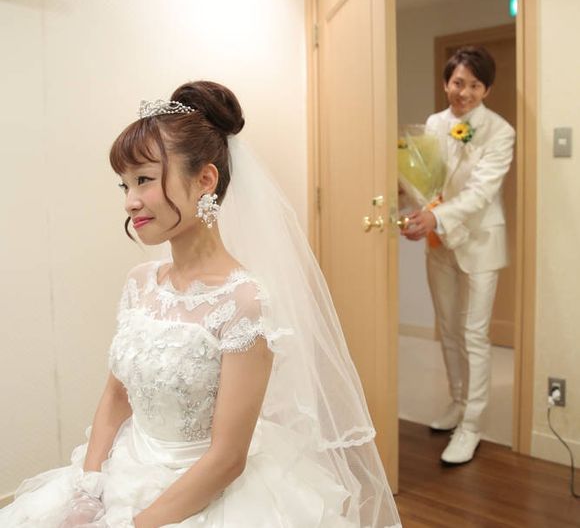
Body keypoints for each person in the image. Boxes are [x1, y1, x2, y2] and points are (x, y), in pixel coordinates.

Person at [0, 81, 401, 527]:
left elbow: (228, 458)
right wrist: (89, 488)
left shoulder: (244, 302)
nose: (130, 202)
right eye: (125, 184)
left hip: (203, 493)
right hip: (124, 470)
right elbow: (116, 395)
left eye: (144, 180)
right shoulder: (140, 283)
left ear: (205, 180)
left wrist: (133, 524)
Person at [401, 47, 515, 465]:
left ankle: (472, 425)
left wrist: (437, 217)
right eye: (457, 83)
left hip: (481, 241)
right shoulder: (434, 124)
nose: (463, 92)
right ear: (446, 82)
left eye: (474, 85)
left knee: (475, 334)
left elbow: (482, 192)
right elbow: (427, 179)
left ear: (487, 89)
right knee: (448, 329)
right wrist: (416, 209)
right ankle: (458, 401)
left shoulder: (500, 131)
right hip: (440, 242)